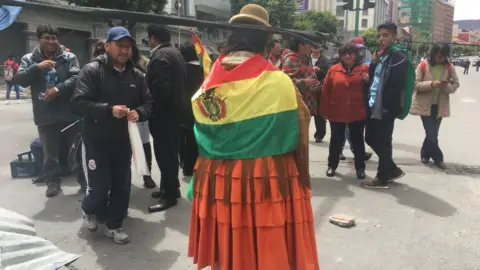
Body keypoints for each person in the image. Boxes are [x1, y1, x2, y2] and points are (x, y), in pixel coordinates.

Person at [188, 4, 319, 270]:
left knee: (228, 234)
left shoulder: (210, 81)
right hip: (267, 173)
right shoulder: (279, 81)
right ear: (266, 40)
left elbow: (201, 120)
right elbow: (299, 123)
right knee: (266, 238)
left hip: (217, 174)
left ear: (232, 36)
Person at [72, 26, 152, 244]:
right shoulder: (91, 71)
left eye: (128, 46)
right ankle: (88, 208)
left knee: (121, 185)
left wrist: (139, 112)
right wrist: (109, 110)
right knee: (99, 187)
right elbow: (79, 103)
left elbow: (148, 102)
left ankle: (114, 225)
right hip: (96, 140)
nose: (125, 51)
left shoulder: (136, 75)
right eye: (120, 45)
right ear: (107, 46)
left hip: (123, 141)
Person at [16, 24, 83, 197]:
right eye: (47, 37)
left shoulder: (69, 57)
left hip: (70, 113)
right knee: (49, 153)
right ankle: (52, 182)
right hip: (45, 114)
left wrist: (58, 89)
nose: (51, 41)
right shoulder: (29, 58)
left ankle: (85, 181)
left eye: (54, 38)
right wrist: (36, 67)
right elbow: (21, 80)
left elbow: (77, 78)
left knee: (78, 150)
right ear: (39, 39)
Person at [145, 24, 187, 213]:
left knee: (165, 156)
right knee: (171, 153)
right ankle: (171, 188)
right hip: (175, 113)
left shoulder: (160, 56)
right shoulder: (175, 53)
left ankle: (168, 196)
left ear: (153, 38)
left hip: (163, 115)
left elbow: (160, 89)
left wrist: (151, 111)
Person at [361, 23, 407, 189]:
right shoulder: (382, 55)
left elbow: (395, 85)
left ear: (394, 37)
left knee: (382, 140)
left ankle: (382, 177)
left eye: (385, 35)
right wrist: (373, 63)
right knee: (371, 138)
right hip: (374, 104)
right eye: (379, 35)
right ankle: (392, 169)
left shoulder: (398, 56)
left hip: (385, 108)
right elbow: (375, 78)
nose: (381, 39)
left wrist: (386, 108)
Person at [321, 42, 369, 179]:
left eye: (351, 53)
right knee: (336, 140)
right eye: (344, 54)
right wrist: (324, 110)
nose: (347, 56)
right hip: (337, 111)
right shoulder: (333, 70)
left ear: (355, 55)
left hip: (357, 111)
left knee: (358, 140)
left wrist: (368, 81)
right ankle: (332, 165)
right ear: (340, 56)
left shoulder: (364, 68)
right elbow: (326, 90)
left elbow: (372, 90)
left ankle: (360, 168)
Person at [410, 44, 459, 169]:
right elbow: (415, 85)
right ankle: (438, 158)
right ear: (433, 55)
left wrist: (446, 86)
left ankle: (425, 154)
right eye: (438, 57)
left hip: (440, 105)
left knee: (433, 134)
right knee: (431, 134)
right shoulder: (422, 65)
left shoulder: (448, 66)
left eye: (443, 57)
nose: (441, 59)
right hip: (425, 106)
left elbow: (456, 83)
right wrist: (431, 84)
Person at [282, 38, 321, 130]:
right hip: (297, 106)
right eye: (308, 44)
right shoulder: (291, 59)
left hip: (307, 103)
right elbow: (285, 81)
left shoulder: (305, 58)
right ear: (301, 45)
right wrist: (304, 82)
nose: (311, 47)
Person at [132, 44, 156, 188]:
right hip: (117, 115)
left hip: (138, 116)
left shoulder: (140, 74)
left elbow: (147, 98)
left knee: (144, 144)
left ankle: (147, 175)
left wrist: (140, 111)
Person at [179, 43, 203, 176]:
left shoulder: (182, 69)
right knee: (197, 139)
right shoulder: (204, 69)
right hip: (201, 108)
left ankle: (187, 166)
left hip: (185, 108)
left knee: (185, 140)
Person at [311, 45, 329, 143]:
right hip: (307, 88)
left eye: (318, 46)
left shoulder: (325, 60)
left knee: (319, 113)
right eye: (314, 45)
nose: (316, 47)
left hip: (319, 89)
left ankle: (319, 134)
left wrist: (319, 71)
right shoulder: (305, 58)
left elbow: (328, 74)